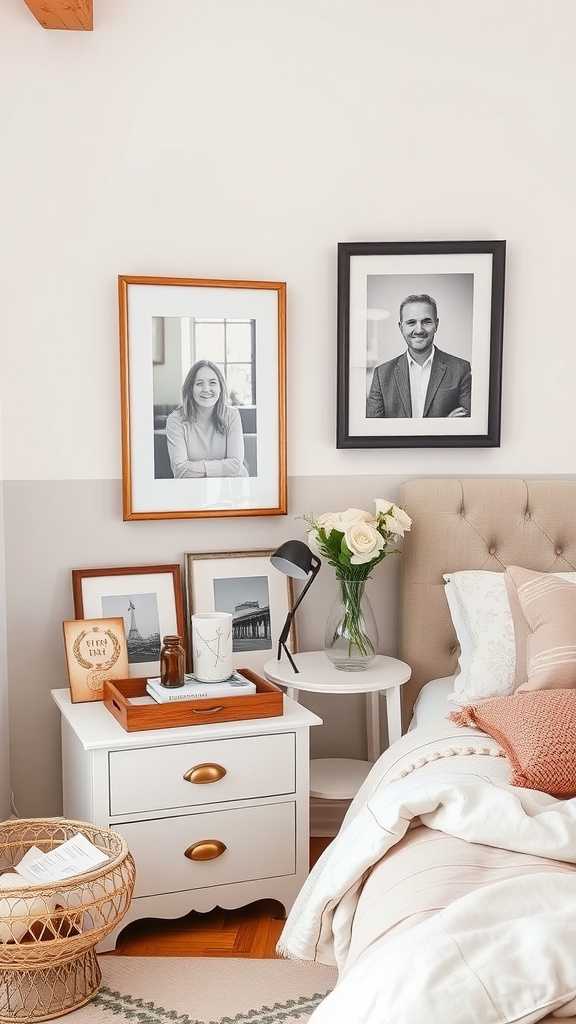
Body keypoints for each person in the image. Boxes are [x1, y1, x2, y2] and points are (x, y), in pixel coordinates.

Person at [366, 293, 471, 418]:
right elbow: (374, 430)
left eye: (426, 322)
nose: (419, 330)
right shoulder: (382, 374)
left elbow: (467, 424)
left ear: (436, 324)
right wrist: (444, 424)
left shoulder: (461, 369)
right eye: (411, 322)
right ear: (401, 327)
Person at [165, 360, 248, 478]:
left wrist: (192, 467)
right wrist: (225, 467)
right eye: (199, 383)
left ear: (220, 387)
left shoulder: (232, 415)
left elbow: (236, 465)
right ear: (191, 388)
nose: (206, 389)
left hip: (232, 486)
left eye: (212, 382)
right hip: (193, 490)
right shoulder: (175, 420)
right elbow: (180, 471)